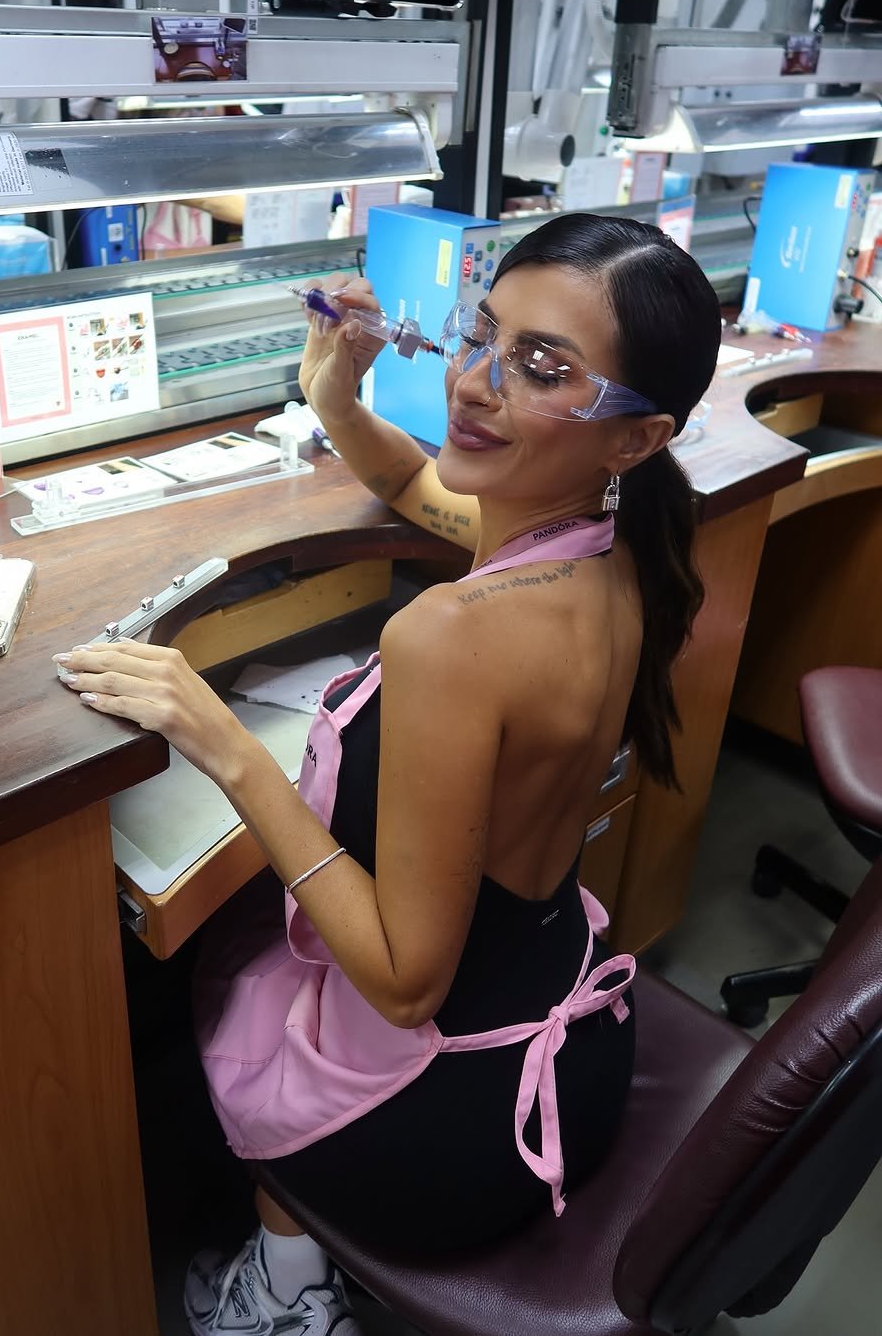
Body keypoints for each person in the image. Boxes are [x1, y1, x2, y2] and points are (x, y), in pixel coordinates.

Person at [53, 213, 721, 1336]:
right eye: (482, 333)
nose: (473, 381)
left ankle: (287, 1295)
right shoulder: (619, 550)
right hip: (569, 1038)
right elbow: (425, 489)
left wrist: (216, 735)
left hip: (456, 1117)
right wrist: (337, 399)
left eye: (540, 368)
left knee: (229, 958)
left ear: (635, 438)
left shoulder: (454, 637)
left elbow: (405, 982)